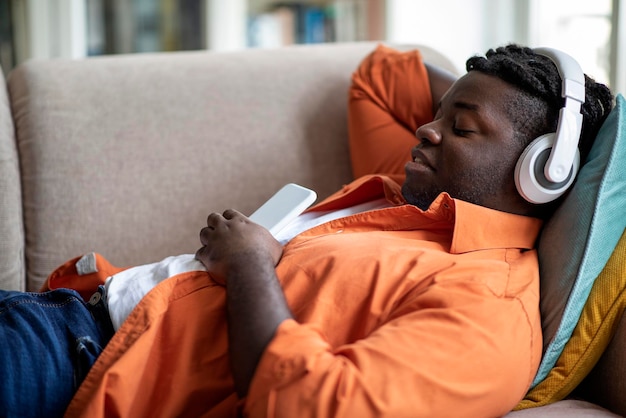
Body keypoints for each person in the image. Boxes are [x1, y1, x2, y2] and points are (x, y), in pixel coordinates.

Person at [0, 44, 613, 418]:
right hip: (63, 306)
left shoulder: (489, 312)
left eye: (463, 127)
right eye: (434, 118)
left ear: (540, 170)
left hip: (83, 364)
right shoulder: (407, 194)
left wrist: (248, 266)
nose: (424, 132)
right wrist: (499, 89)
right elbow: (383, 76)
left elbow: (308, 407)